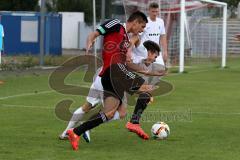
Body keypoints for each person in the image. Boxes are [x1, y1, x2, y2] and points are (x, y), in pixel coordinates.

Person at [66, 11, 165, 150]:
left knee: (111, 113)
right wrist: (89, 43)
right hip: (112, 71)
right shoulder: (116, 25)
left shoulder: (125, 40)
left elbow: (127, 64)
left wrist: (150, 72)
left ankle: (75, 132)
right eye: (142, 27)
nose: (142, 30)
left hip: (115, 74)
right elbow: (94, 34)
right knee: (145, 91)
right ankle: (134, 123)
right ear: (135, 22)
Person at [59, 40, 162, 142]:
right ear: (150, 52)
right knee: (115, 113)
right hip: (110, 79)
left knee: (87, 106)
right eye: (155, 56)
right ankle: (86, 127)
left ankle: (65, 133)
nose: (155, 60)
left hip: (101, 75)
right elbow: (132, 49)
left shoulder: (138, 57)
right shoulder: (137, 54)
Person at [125, 2, 168, 138]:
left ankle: (135, 120)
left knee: (146, 91)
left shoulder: (160, 22)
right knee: (111, 109)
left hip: (148, 60)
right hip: (132, 64)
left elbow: (163, 37)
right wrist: (129, 51)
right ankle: (134, 119)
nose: (142, 29)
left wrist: (164, 52)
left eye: (157, 11)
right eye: (153, 11)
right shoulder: (142, 27)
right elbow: (133, 39)